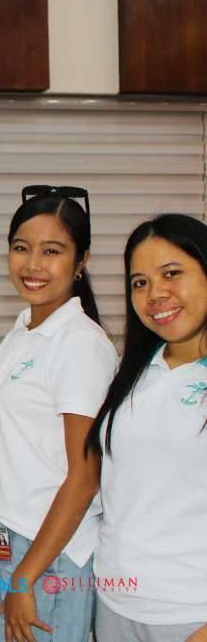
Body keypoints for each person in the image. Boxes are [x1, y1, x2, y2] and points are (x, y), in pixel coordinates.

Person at [0, 186, 118, 642]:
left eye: (51, 251)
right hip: (8, 546)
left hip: (45, 557)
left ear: (81, 261)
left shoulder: (79, 343)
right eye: (21, 248)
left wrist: (25, 576)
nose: (32, 264)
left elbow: (85, 475)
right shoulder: (22, 331)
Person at [86, 214, 207, 642]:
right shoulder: (131, 371)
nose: (155, 294)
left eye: (172, 273)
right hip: (115, 603)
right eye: (140, 282)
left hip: (191, 613)